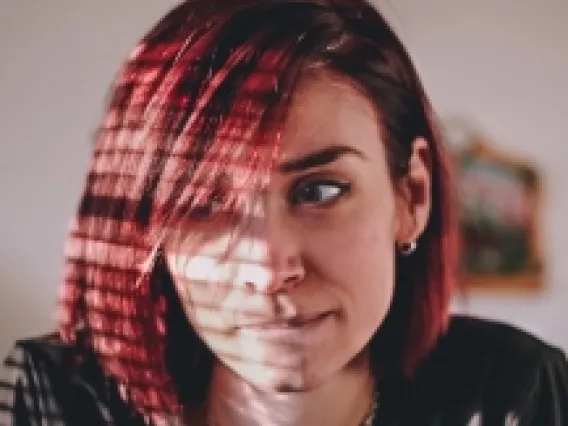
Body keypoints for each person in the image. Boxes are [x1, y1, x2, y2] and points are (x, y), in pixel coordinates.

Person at [1, 0, 567, 424]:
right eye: (202, 204)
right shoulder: (62, 399)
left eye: (319, 191)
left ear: (411, 197)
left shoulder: (511, 392)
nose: (269, 268)